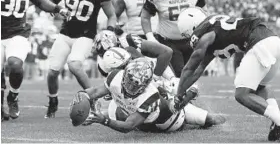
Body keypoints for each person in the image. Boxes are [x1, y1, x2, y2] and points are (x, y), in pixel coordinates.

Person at [172, 7, 280, 141]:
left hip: (258, 42)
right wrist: (182, 93)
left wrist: (178, 94)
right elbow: (199, 70)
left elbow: (189, 69)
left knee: (242, 94)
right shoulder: (214, 30)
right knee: (260, 87)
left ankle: (278, 119)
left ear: (191, 27)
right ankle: (276, 122)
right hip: (273, 40)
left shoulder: (205, 34)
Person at [41, 0, 118, 118]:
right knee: (53, 71)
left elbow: (111, 15)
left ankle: (93, 100)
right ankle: (53, 100)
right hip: (65, 33)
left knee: (74, 65)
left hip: (86, 35)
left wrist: (109, 31)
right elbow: (50, 2)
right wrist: (49, 0)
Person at [69, 57, 225, 133]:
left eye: (135, 84)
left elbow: (128, 126)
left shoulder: (150, 96)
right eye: (128, 80)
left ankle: (186, 102)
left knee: (209, 120)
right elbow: (95, 92)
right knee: (115, 109)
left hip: (171, 120)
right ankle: (183, 99)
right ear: (124, 74)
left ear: (145, 84)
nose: (129, 86)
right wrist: (82, 96)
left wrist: (103, 120)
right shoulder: (115, 76)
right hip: (144, 118)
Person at [1, 0, 69, 120]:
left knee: (15, 64)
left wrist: (58, 9)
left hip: (17, 32)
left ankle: (13, 96)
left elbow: (38, 1)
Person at [141, 0, 206, 78]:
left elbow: (203, 10)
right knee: (178, 75)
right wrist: (150, 37)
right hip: (168, 41)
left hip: (191, 39)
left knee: (190, 74)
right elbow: (145, 17)